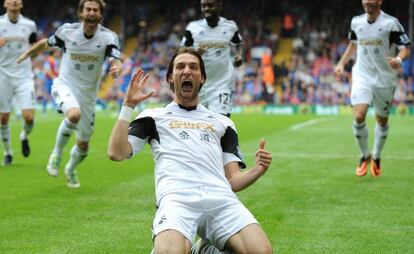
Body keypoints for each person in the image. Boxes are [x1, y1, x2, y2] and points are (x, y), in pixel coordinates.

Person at [107, 47, 273, 254]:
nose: (187, 71)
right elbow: (116, 152)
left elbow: (233, 180)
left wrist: (258, 170)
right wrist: (128, 105)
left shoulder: (223, 123)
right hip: (177, 200)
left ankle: (205, 249)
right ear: (170, 77)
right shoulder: (153, 117)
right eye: (180, 67)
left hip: (220, 200)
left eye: (193, 67)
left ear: (202, 78)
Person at [17, 0, 122, 187]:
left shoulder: (108, 37)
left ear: (101, 15)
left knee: (83, 146)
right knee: (73, 114)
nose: (91, 13)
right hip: (65, 85)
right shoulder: (67, 31)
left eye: (95, 10)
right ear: (80, 13)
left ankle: (70, 169)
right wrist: (27, 54)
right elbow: (44, 44)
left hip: (88, 96)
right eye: (88, 9)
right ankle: (56, 154)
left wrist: (116, 67)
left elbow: (116, 59)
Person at [335, 0, 410, 177]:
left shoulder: (391, 23)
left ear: (379, 1)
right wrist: (341, 63)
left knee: (381, 120)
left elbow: (405, 48)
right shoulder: (356, 22)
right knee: (359, 115)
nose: (367, 2)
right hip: (362, 75)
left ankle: (376, 156)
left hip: (384, 78)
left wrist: (398, 60)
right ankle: (364, 156)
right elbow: (353, 44)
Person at [181, 0, 243, 117]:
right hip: (199, 86)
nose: (206, 9)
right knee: (198, 125)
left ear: (219, 5)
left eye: (210, 5)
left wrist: (238, 55)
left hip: (223, 84)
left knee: (221, 122)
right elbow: (180, 52)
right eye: (203, 6)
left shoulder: (230, 26)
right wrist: (195, 52)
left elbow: (238, 43)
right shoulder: (193, 28)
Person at [0, 0, 37, 166]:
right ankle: (7, 153)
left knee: (29, 118)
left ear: (21, 4)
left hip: (24, 76)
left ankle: (24, 136)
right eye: (11, 0)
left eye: (17, 0)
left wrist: (32, 51)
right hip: (3, 75)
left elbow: (35, 47)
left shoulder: (30, 25)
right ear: (5, 4)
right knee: (3, 119)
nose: (14, 2)